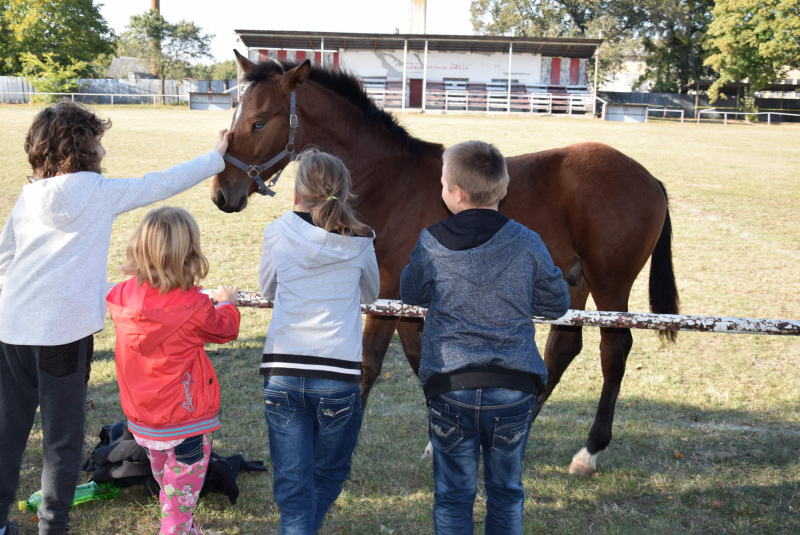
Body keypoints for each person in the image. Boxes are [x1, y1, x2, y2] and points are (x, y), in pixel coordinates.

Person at [0, 99, 230, 535]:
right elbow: (161, 183)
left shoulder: (28, 196)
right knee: (61, 443)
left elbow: (5, 257)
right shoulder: (99, 192)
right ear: (83, 146)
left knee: (7, 431)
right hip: (63, 336)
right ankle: (53, 527)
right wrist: (216, 157)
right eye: (99, 141)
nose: (104, 150)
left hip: (11, 328)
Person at [399, 140, 571, 535]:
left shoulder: (431, 241)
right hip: (513, 389)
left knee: (453, 496)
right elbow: (557, 302)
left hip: (451, 385)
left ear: (457, 193)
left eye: (442, 183)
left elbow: (411, 293)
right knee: (506, 492)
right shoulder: (528, 240)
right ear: (502, 188)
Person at [259, 149, 379, 534]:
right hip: (338, 374)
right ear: (345, 196)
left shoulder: (278, 231)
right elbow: (371, 295)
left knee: (293, 485)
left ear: (296, 194)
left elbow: (267, 288)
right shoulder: (362, 240)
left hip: (282, 370)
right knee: (329, 472)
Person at [106, 206, 240, 535]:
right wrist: (227, 303)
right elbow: (225, 330)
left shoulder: (121, 295)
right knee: (178, 509)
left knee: (171, 488)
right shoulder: (194, 305)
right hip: (186, 423)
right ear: (189, 253)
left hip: (144, 423)